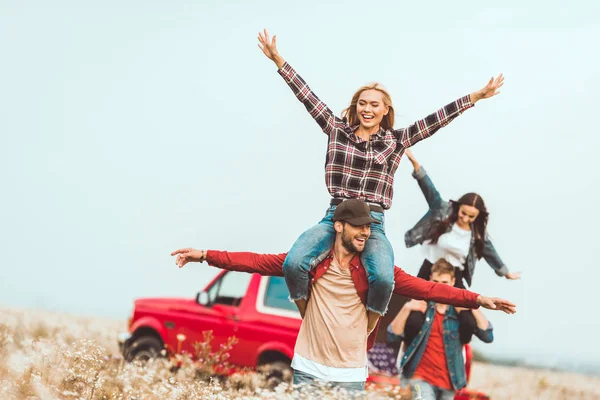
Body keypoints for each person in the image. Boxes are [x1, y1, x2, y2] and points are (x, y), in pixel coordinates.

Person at [256, 29, 505, 331]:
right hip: (335, 214)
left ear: (385, 110)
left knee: (384, 278)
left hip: (372, 221)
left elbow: (434, 121)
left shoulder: (396, 141)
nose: (367, 109)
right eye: (362, 103)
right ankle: (307, 313)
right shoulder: (336, 130)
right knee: (294, 263)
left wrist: (475, 97)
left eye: (375, 104)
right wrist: (279, 61)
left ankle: (369, 325)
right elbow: (308, 98)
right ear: (355, 107)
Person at [171, 199, 516, 393]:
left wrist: (478, 299)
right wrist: (204, 254)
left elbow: (429, 288)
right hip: (307, 367)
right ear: (339, 226)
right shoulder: (311, 264)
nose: (366, 231)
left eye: (369, 226)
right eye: (358, 226)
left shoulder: (378, 273)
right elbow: (254, 262)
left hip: (351, 372)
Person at [403, 149, 520, 289]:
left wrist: (505, 273)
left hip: (455, 273)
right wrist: (415, 164)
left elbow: (490, 253)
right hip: (430, 268)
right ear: (458, 208)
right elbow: (430, 190)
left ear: (477, 217)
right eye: (463, 213)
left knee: (465, 307)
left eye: (471, 216)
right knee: (414, 298)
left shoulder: (476, 235)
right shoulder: (443, 211)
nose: (465, 219)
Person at [388, 259, 494, 400]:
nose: (440, 288)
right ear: (430, 280)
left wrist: (471, 305)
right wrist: (407, 308)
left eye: (444, 283)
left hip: (449, 383)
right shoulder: (420, 306)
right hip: (419, 379)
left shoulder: (460, 312)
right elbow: (392, 336)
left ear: (453, 282)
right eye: (436, 282)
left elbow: (487, 336)